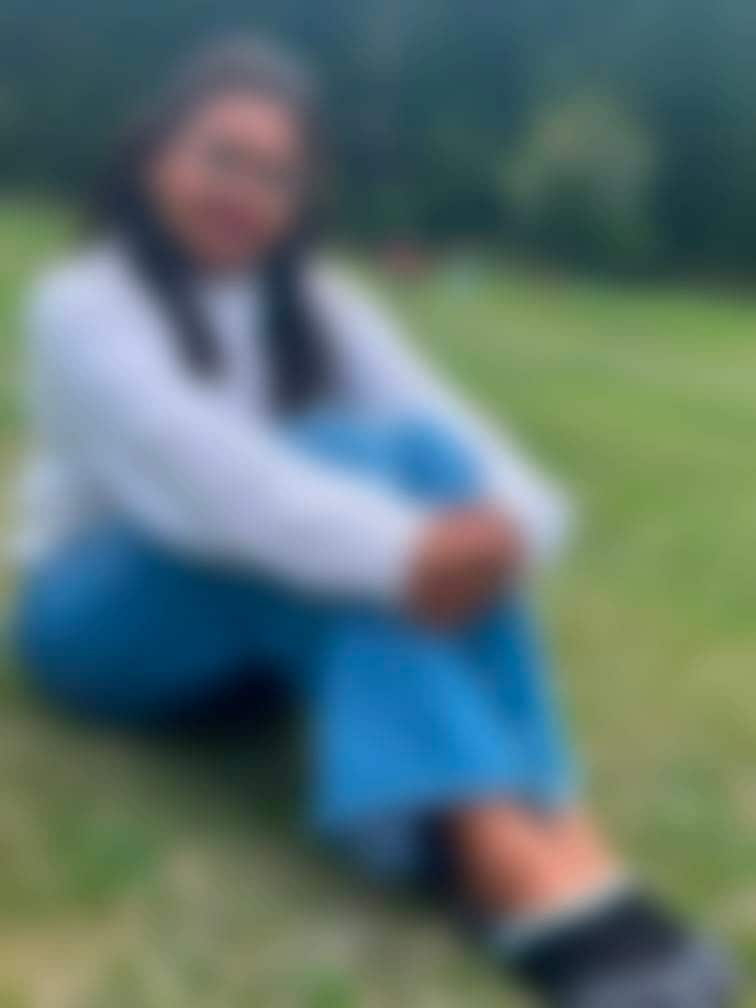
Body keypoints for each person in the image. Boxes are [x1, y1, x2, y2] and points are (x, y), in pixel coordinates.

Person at [12, 38, 735, 1006]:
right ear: (154, 155)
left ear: (300, 198)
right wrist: (415, 550)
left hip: (247, 644)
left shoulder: (320, 301)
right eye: (221, 156)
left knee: (419, 460)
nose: (242, 191)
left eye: (275, 174)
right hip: (99, 625)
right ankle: (488, 849)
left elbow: (452, 432)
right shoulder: (84, 302)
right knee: (344, 484)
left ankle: (547, 811)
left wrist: (508, 530)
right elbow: (222, 490)